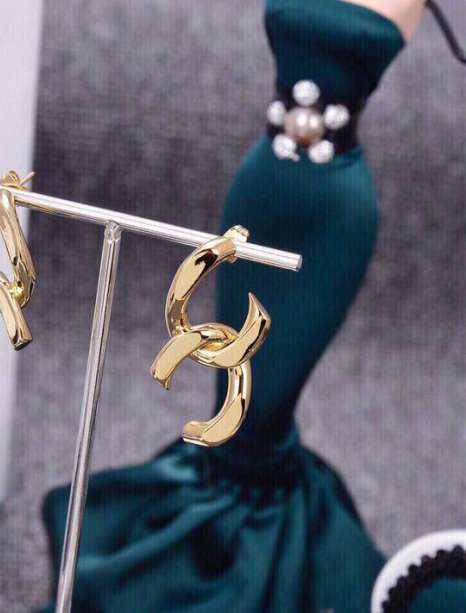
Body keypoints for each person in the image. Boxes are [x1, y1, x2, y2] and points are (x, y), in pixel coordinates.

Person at [43, 1, 465, 611]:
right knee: (229, 382)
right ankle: (200, 540)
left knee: (263, 398)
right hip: (260, 188)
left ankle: (252, 561)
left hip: (333, 216)